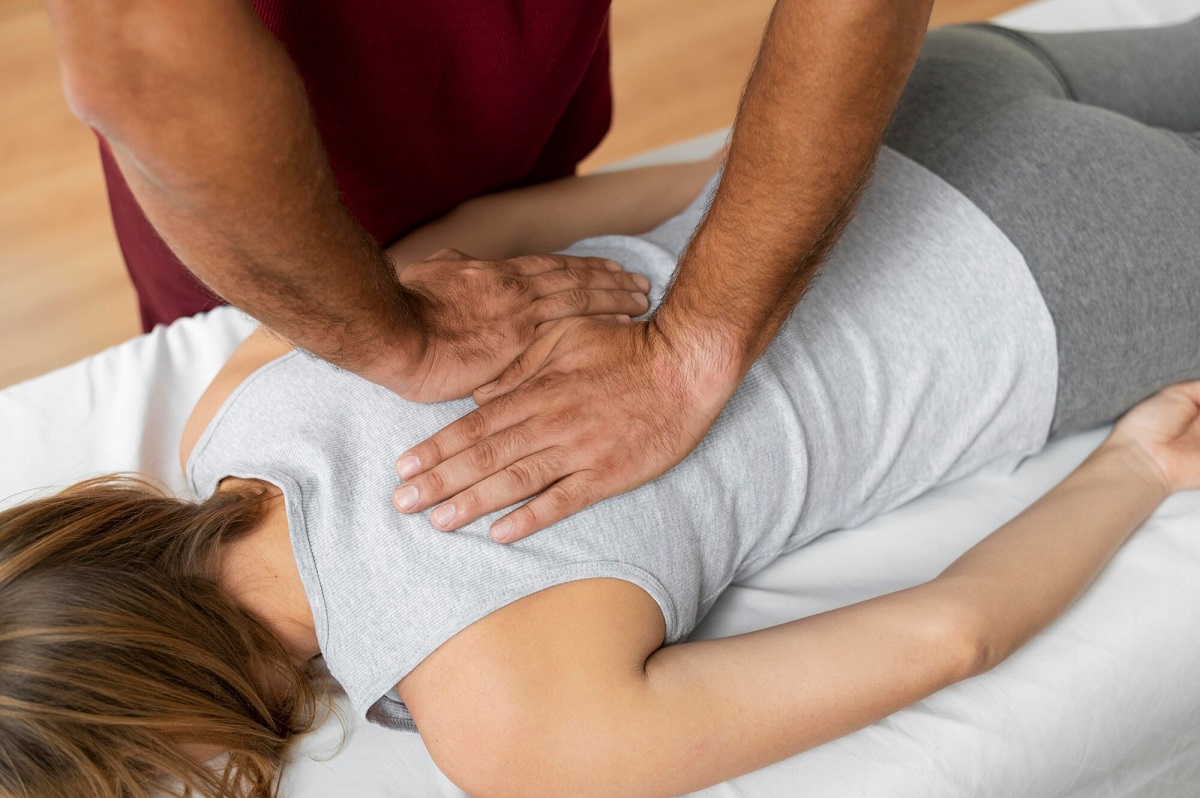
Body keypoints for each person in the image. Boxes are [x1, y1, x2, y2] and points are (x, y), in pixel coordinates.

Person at [4, 17, 1200, 798]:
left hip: (1064, 280)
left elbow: (950, 637)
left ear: (161, 742)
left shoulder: (512, 731)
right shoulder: (238, 398)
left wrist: (1136, 467)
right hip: (909, 108)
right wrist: (742, 187)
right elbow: (481, 236)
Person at [47, 0, 938, 540]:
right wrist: (383, 339)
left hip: (511, 94)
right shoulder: (236, 411)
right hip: (242, 180)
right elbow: (142, 59)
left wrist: (698, 343)